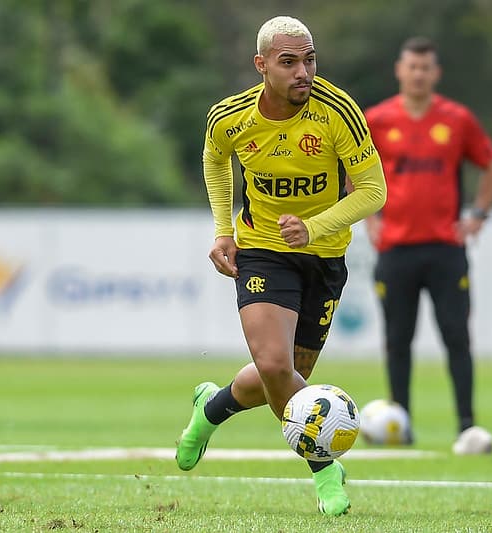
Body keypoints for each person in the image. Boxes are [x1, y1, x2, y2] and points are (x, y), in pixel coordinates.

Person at [175, 15, 386, 516]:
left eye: (309, 60)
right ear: (261, 65)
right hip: (264, 250)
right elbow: (214, 157)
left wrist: (314, 228)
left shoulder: (338, 112)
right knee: (275, 366)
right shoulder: (230, 117)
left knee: (287, 377)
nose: (302, 72)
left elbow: (374, 191)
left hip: (324, 256)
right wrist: (224, 230)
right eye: (289, 62)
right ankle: (325, 470)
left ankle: (211, 409)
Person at [363, 36, 492, 454]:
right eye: (412, 66)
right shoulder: (378, 119)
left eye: (426, 67)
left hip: (445, 249)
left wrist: (478, 213)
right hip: (396, 249)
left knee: (456, 337)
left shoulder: (456, 119)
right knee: (397, 340)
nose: (419, 74)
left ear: (436, 73)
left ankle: (467, 426)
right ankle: (400, 424)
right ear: (400, 70)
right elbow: (352, 170)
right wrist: (369, 217)